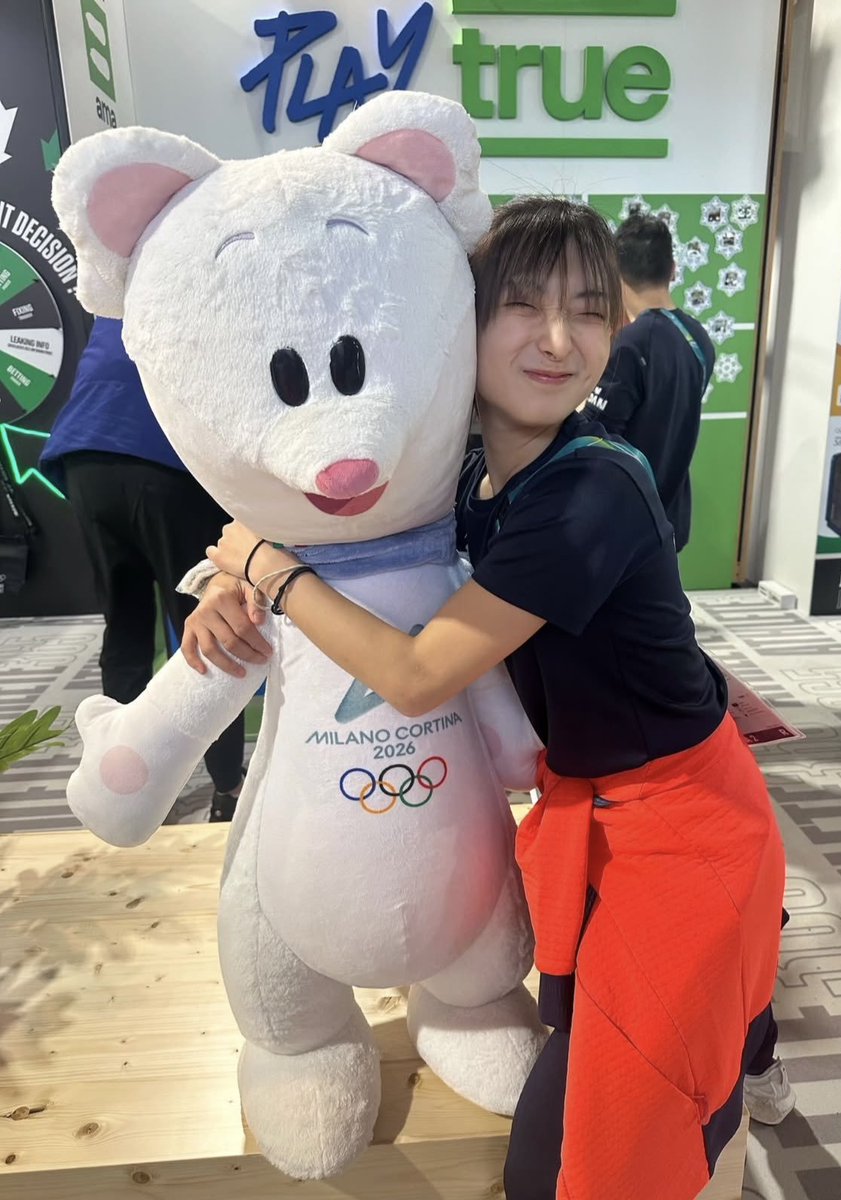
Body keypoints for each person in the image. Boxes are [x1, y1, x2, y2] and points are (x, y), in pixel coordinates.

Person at [181, 198, 789, 1199]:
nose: (558, 340)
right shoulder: (477, 475)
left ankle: (747, 1055)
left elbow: (418, 672)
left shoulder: (589, 493)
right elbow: (351, 537)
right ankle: (751, 1044)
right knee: (628, 1021)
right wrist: (226, 582)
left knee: (576, 1153)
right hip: (595, 803)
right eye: (524, 307)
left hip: (683, 825)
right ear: (462, 324)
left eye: (588, 311)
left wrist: (272, 575)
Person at [41, 316, 246, 822]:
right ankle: (227, 788)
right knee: (209, 627)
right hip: (162, 457)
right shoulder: (212, 291)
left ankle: (125, 788)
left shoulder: (123, 294)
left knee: (126, 626)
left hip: (85, 457)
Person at [586, 214, 715, 553]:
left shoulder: (631, 344)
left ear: (615, 273)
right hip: (669, 518)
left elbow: (597, 437)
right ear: (673, 269)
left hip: (624, 524)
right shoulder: (699, 338)